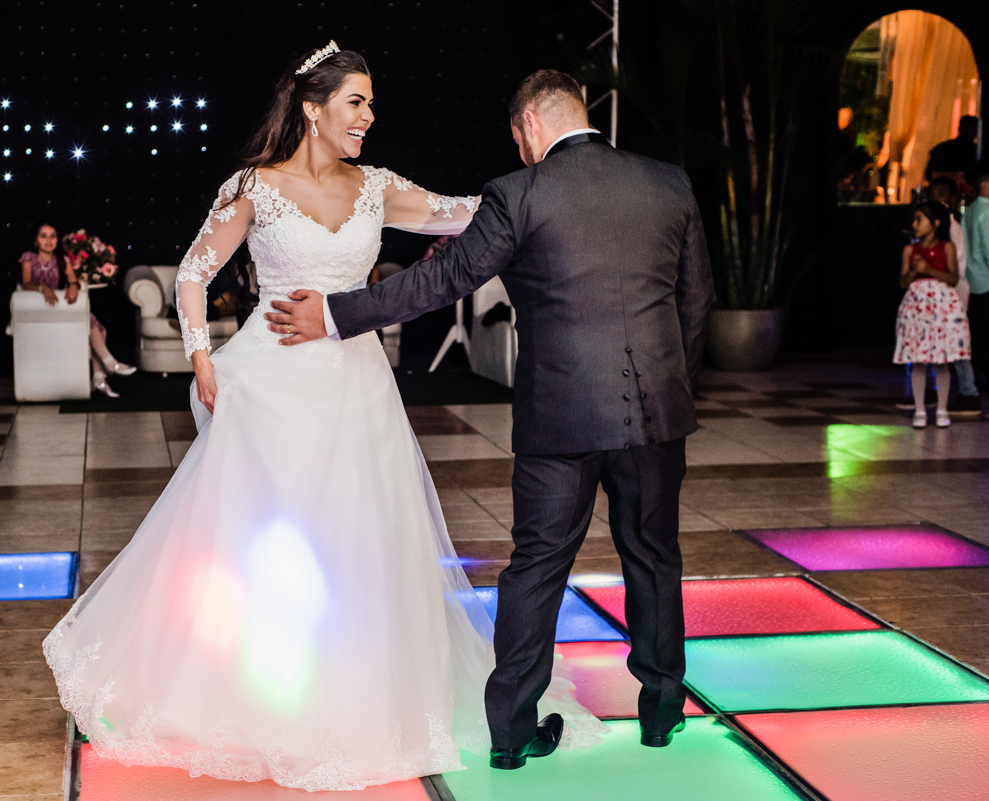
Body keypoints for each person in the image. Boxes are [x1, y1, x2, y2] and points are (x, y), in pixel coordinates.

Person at [42, 44, 606, 792]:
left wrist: (553, 180)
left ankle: (359, 692)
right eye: (357, 103)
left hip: (357, 387)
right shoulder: (254, 185)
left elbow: (469, 215)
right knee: (264, 541)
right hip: (270, 387)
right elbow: (191, 273)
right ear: (314, 107)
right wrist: (201, 357)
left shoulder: (379, 187)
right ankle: (257, 689)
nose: (369, 117)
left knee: (362, 534)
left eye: (372, 105)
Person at [269, 69, 713, 757]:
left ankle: (511, 733)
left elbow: (441, 280)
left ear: (529, 126)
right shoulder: (668, 182)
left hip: (560, 419)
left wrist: (333, 312)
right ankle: (661, 711)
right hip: (657, 414)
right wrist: (668, 384)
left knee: (537, 568)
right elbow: (695, 303)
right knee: (655, 559)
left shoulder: (519, 193)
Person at [19, 222, 136, 397]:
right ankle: (108, 367)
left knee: (96, 326)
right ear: (36, 240)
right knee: (93, 323)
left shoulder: (62, 259)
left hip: (56, 307)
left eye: (52, 236)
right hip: (40, 309)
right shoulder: (29, 257)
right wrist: (43, 288)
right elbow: (26, 282)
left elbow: (73, 280)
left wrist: (74, 286)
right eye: (43, 236)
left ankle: (99, 378)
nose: (48, 240)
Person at [894, 201, 969, 428]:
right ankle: (919, 410)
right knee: (919, 360)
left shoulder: (947, 247)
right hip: (918, 305)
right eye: (914, 219)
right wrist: (915, 271)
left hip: (942, 307)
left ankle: (942, 408)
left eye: (920, 219)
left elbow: (953, 278)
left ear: (935, 223)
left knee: (942, 361)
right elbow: (903, 282)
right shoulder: (910, 250)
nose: (915, 224)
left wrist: (929, 270)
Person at [929, 178, 981, 417]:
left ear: (951, 198)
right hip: (942, 292)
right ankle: (932, 387)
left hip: (951, 293)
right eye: (933, 193)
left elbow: (955, 267)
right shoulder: (940, 226)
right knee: (932, 339)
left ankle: (969, 393)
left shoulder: (951, 228)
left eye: (942, 193)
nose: (937, 198)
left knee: (956, 344)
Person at [966, 165, 989, 415]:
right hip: (987, 279)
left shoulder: (970, 210)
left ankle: (979, 376)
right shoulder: (986, 211)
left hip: (973, 279)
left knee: (978, 333)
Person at [925, 116, 979, 185]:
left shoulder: (941, 148)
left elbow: (928, 174)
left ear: (959, 128)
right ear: (976, 132)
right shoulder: (977, 152)